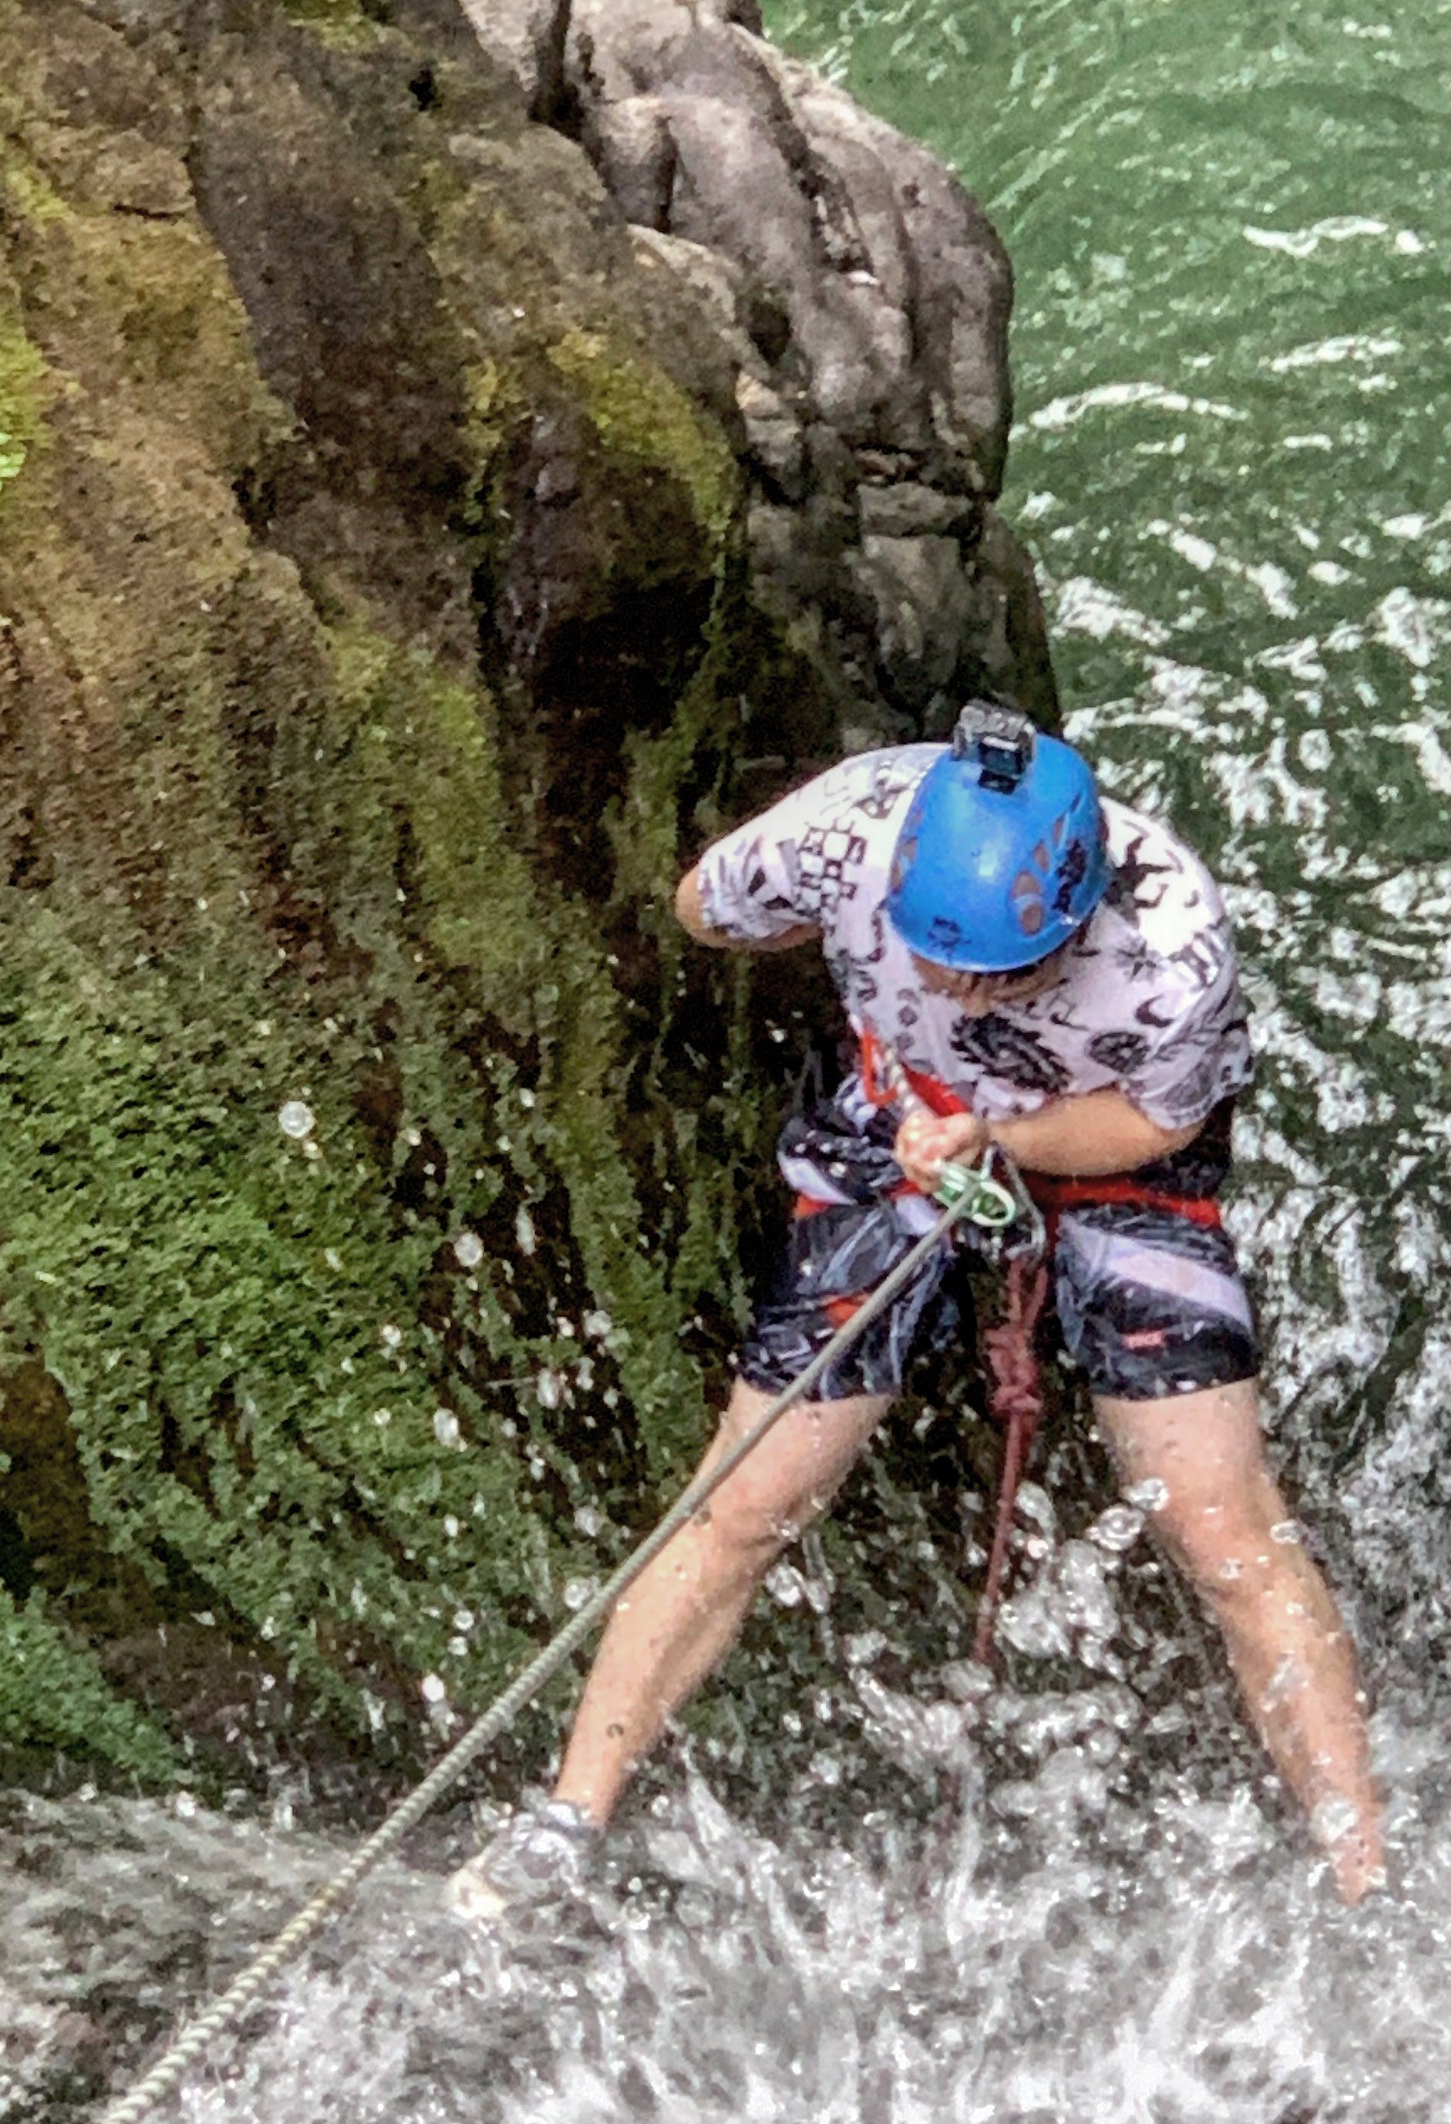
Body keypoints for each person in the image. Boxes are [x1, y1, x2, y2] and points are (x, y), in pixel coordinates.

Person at [453, 703, 1384, 1918]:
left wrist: (1002, 1138)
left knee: (1226, 1530)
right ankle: (568, 1820)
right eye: (935, 956)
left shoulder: (1172, 949)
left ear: (1078, 922)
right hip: (899, 1116)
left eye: (1002, 973)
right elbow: (702, 907)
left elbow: (1161, 1122)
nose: (958, 988)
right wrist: (917, 1079)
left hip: (1103, 1146)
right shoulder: (846, 834)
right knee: (747, 1498)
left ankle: (1364, 1873)